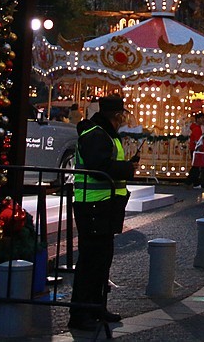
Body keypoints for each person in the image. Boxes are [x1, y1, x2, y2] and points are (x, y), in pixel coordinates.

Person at [69, 95, 138, 331]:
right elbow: (100, 168)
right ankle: (80, 313)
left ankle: (96, 306)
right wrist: (128, 168)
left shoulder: (104, 133)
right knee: (91, 260)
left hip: (103, 204)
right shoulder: (95, 134)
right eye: (122, 116)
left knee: (102, 259)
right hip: (94, 204)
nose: (123, 120)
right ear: (116, 116)